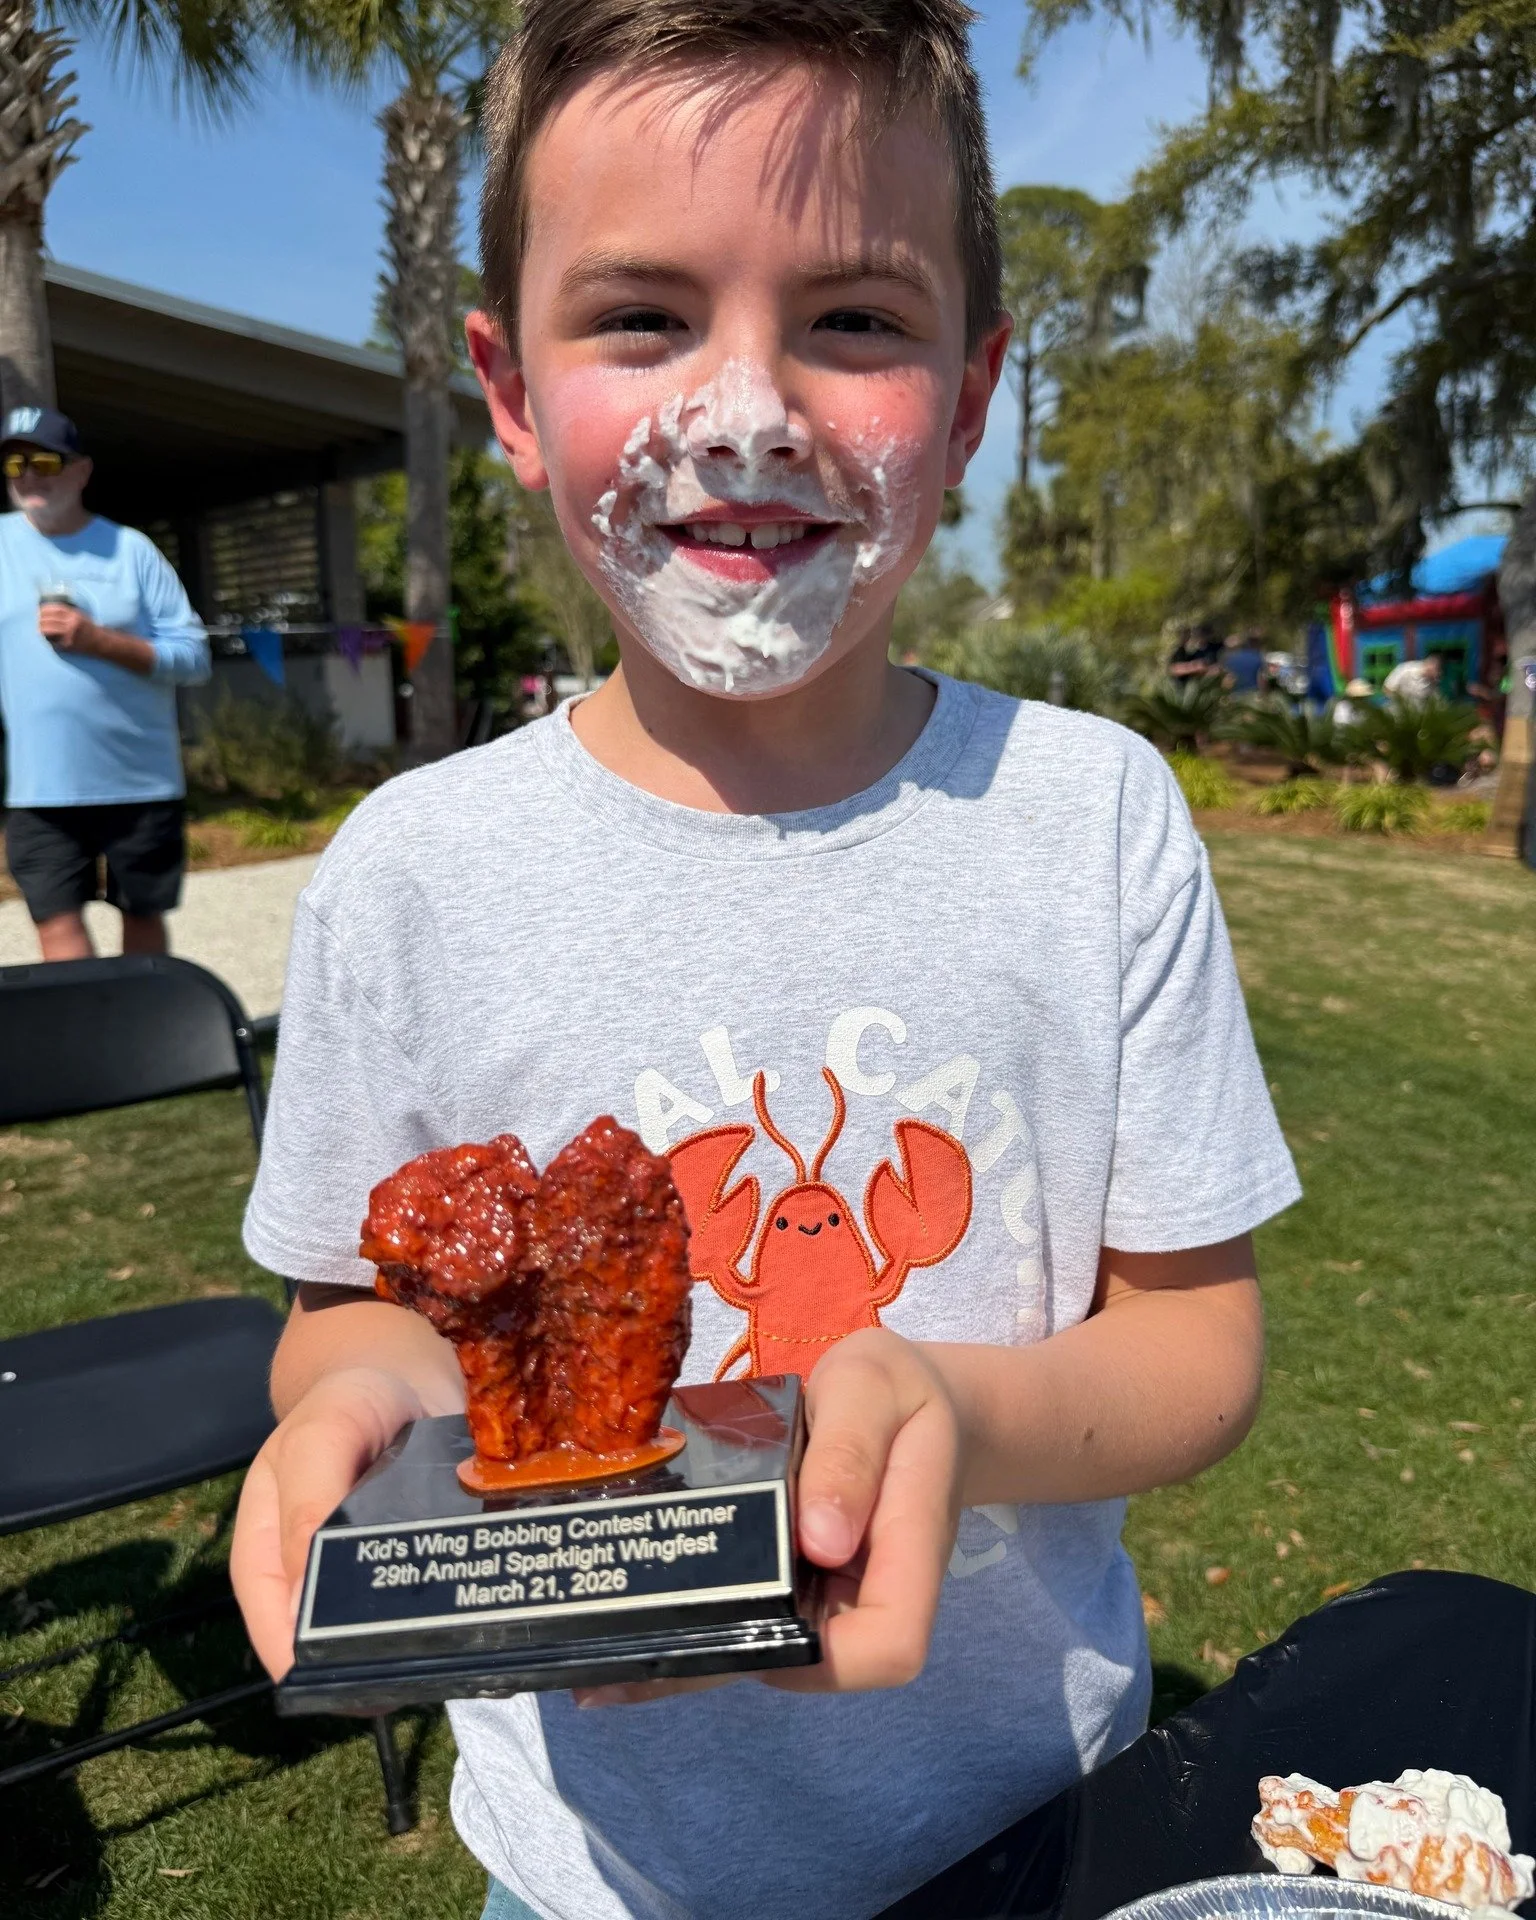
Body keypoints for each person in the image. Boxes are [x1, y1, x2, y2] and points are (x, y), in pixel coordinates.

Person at [230, 6, 1301, 1918]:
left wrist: (953, 1417)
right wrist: (350, 1410)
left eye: (856, 320)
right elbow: (354, 1311)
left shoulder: (1091, 818)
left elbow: (1198, 1342)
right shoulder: (412, 871)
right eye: (640, 316)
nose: (745, 411)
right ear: (502, 382)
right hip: (592, 1872)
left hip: (1025, 1824)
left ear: (970, 396)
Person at [0, 405, 210, 960]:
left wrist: (100, 642)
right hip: (38, 788)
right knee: (55, 923)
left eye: (46, 459)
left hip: (139, 783)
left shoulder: (131, 550)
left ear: (82, 471)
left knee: (143, 923)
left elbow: (194, 656)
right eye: (15, 461)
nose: (29, 474)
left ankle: (144, 1038)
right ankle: (88, 1043)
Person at [1222, 629, 1265, 695]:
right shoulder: (1257, 658)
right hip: (1253, 695)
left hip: (1235, 696)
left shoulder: (1228, 660)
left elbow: (1227, 681)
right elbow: (1261, 679)